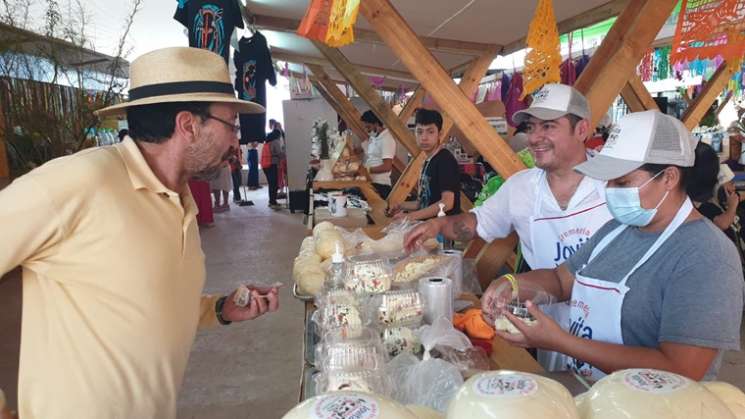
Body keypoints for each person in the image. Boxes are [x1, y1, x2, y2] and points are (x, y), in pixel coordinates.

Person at [0, 47, 281, 418]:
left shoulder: (179, 199)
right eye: (232, 125)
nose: (236, 142)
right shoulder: (79, 181)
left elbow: (148, 300)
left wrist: (220, 309)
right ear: (188, 124)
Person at [482, 110, 743, 382]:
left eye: (623, 182)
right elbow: (560, 281)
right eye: (609, 180)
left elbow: (680, 370)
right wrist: (512, 284)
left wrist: (560, 341)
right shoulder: (616, 231)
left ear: (669, 177)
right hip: (592, 394)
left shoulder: (707, 256)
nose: (610, 189)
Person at [404, 84, 612, 371]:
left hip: (612, 338)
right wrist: (438, 224)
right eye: (531, 127)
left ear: (582, 129)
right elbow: (474, 224)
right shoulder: (521, 188)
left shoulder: (615, 186)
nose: (535, 138)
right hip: (546, 334)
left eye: (548, 126)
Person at [389, 108, 462, 221]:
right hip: (427, 228)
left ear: (440, 133)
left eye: (430, 131)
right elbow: (423, 203)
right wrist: (401, 206)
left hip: (442, 232)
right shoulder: (428, 161)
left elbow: (447, 203)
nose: (424, 137)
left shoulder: (445, 160)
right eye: (419, 131)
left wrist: (410, 216)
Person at [699, 163, 745, 268]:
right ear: (719, 188)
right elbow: (723, 224)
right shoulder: (707, 207)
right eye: (731, 184)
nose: (734, 187)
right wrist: (733, 206)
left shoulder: (725, 204)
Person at [359, 110, 396, 199]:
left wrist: (367, 170)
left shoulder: (387, 139)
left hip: (380, 185)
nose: (367, 130)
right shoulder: (375, 137)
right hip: (370, 181)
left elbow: (387, 166)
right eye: (365, 127)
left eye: (368, 127)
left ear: (376, 124)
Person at [261, 126, 284, 209]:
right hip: (272, 165)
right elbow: (280, 153)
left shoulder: (267, 142)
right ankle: (272, 202)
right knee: (274, 184)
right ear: (278, 135)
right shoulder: (275, 142)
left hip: (265, 165)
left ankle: (272, 201)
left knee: (271, 184)